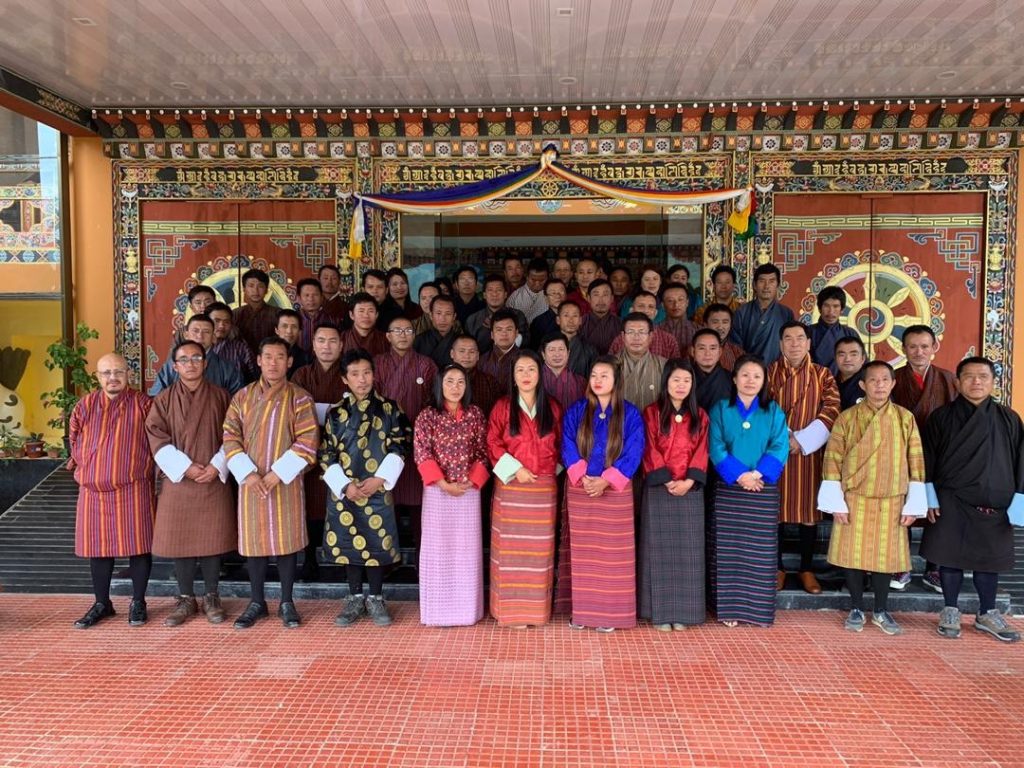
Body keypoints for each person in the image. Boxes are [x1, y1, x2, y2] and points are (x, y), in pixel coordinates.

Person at [818, 360, 927, 636]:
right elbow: (832, 458)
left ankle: (880, 610)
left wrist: (913, 503)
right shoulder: (847, 418)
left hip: (892, 498)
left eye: (884, 380)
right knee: (853, 556)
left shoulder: (904, 418)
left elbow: (916, 460)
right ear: (862, 385)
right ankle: (856, 607)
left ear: (893, 384)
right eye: (873, 381)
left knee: (885, 559)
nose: (879, 386)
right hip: (854, 497)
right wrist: (835, 501)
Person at [921, 357, 1023, 643]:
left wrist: (1019, 500)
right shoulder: (941, 417)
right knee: (949, 558)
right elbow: (927, 459)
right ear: (957, 382)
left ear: (993, 382)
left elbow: (1021, 461)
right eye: (969, 376)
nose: (976, 382)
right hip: (951, 499)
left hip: (996, 502)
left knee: (989, 562)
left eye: (983, 376)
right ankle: (950, 610)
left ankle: (987, 612)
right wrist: (929, 497)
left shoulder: (1009, 418)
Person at [223, 337, 319, 629]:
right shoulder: (242, 397)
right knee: (254, 543)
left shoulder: (300, 398)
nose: (273, 363)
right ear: (258, 360)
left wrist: (277, 473)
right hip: (251, 483)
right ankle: (257, 601)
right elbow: (229, 436)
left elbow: (308, 440)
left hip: (284, 482)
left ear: (289, 362)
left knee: (286, 542)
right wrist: (249, 474)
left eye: (280, 357)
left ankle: (287, 602)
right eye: (268, 357)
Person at [145, 340, 235, 626]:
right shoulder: (163, 400)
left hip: (212, 476)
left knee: (212, 540)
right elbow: (156, 437)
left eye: (196, 358)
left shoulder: (222, 397)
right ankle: (185, 598)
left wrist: (216, 465)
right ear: (175, 366)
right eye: (184, 359)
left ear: (205, 363)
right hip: (179, 480)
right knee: (180, 541)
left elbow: (234, 435)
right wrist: (186, 468)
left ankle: (211, 596)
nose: (191, 364)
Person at [321, 350, 413, 628]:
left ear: (374, 375)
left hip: (377, 489)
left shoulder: (390, 409)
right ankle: (353, 598)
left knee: (376, 542)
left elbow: (401, 444)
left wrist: (379, 479)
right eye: (355, 374)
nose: (362, 380)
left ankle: (375, 597)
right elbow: (326, 453)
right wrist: (344, 485)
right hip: (345, 491)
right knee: (349, 543)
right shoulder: (335, 413)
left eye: (366, 373)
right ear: (344, 379)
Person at [69, 353, 155, 629]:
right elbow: (74, 440)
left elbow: (158, 441)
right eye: (106, 373)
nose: (113, 378)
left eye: (118, 372)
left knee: (139, 546)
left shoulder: (143, 404)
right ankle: (102, 603)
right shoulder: (85, 405)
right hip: (93, 489)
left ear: (129, 374)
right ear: (98, 376)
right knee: (98, 548)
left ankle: (138, 601)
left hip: (133, 487)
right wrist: (87, 468)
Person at [561, 356, 644, 631]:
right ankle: (582, 614)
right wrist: (583, 474)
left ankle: (611, 615)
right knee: (583, 556)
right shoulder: (577, 410)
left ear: (616, 380)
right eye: (594, 375)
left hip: (615, 493)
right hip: (582, 488)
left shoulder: (630, 413)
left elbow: (634, 450)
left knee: (613, 556)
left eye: (604, 375)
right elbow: (567, 443)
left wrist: (607, 480)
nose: (597, 380)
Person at [707, 355, 790, 627]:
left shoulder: (773, 410)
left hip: (762, 488)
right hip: (729, 488)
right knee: (728, 551)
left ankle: (757, 611)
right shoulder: (721, 409)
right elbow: (715, 445)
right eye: (744, 375)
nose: (750, 381)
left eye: (756, 376)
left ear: (764, 381)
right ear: (734, 379)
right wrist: (740, 475)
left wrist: (756, 474)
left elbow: (780, 445)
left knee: (759, 553)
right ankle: (729, 609)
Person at [486, 350, 562, 627]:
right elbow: (493, 443)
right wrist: (516, 469)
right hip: (511, 487)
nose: (526, 375)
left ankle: (535, 612)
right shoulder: (502, 407)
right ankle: (510, 612)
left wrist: (546, 472)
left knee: (538, 554)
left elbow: (561, 444)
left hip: (542, 489)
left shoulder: (552, 407)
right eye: (520, 370)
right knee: (509, 552)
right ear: (513, 375)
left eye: (531, 369)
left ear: (540, 374)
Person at [414, 364, 490, 626]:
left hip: (468, 491)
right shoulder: (427, 416)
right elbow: (422, 452)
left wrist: (472, 480)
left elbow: (483, 451)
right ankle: (437, 612)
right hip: (437, 491)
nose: (455, 387)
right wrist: (443, 484)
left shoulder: (475, 414)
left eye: (460, 382)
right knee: (438, 550)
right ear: (439, 385)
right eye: (449, 381)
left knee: (466, 552)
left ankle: (467, 611)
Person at [768, 321, 840, 594]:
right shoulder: (769, 372)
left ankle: (806, 568)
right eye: (788, 338)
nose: (794, 343)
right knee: (775, 511)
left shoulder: (823, 375)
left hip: (810, 453)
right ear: (780, 344)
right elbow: (763, 406)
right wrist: (785, 439)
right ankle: (777, 568)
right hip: (775, 452)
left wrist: (803, 440)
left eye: (800, 338)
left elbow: (832, 408)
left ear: (809, 343)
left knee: (808, 512)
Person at [640, 359, 710, 631]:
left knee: (687, 555)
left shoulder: (700, 416)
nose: (681, 385)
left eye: (686, 381)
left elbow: (702, 450)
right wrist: (667, 479)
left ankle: (685, 612)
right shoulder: (652, 413)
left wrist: (689, 481)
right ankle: (659, 612)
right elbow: (649, 448)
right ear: (666, 382)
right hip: (660, 488)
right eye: (676, 380)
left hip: (689, 491)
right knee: (658, 553)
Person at [891, 324, 957, 592]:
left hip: (939, 454)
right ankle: (900, 564)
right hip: (901, 453)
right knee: (901, 507)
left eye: (924, 346)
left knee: (936, 509)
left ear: (934, 347)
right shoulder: (893, 378)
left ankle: (934, 568)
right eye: (913, 346)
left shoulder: (948, 379)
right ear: (903, 349)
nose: (919, 352)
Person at [291, 322, 348, 582]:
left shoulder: (348, 374)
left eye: (333, 341)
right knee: (311, 507)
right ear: (313, 345)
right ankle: (310, 559)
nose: (327, 346)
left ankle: (343, 558)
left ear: (341, 345)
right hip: (309, 449)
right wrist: (334, 410)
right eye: (321, 341)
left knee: (342, 502)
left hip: (344, 451)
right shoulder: (301, 375)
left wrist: (318, 410)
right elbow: (295, 411)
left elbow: (356, 410)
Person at [374, 315, 438, 548]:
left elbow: (434, 402)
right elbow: (372, 400)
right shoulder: (378, 363)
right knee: (385, 501)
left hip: (419, 443)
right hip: (385, 443)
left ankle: (422, 558)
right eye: (397, 331)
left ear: (414, 335)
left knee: (418, 504)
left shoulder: (426, 364)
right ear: (388, 336)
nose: (403, 335)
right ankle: (388, 558)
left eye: (408, 330)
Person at [150, 314, 244, 395]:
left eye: (206, 332)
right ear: (186, 335)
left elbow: (238, 403)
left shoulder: (227, 368)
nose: (200, 336)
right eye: (195, 331)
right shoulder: (172, 366)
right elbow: (156, 399)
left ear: (214, 338)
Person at [731, 263, 794, 364]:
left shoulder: (786, 314)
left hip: (777, 370)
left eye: (771, 281)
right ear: (754, 285)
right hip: (749, 369)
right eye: (762, 281)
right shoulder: (742, 312)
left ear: (778, 285)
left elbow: (790, 346)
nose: (766, 286)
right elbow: (735, 347)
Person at [465, 274, 528, 354]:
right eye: (490, 290)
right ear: (484, 295)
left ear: (505, 294)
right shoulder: (473, 319)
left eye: (499, 290)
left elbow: (526, 341)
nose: (494, 294)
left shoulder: (518, 315)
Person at [616, 312, 666, 411]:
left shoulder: (664, 365)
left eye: (642, 332)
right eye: (631, 332)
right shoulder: (609, 365)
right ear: (623, 336)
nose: (636, 337)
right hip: (618, 420)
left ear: (650, 336)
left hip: (653, 420)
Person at [609, 291, 679, 359]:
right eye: (641, 306)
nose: (646, 311)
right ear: (631, 311)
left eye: (651, 307)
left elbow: (677, 366)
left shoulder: (669, 340)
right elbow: (609, 365)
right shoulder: (620, 340)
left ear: (655, 313)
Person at [810, 286, 858, 375]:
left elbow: (861, 363)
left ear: (842, 309)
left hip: (845, 381)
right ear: (819, 308)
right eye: (826, 306)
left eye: (836, 306)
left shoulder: (850, 333)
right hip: (814, 380)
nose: (831, 312)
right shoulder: (808, 332)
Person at [450, 334, 501, 416]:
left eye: (472, 352)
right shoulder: (442, 380)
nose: (467, 356)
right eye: (462, 351)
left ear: (477, 356)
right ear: (452, 353)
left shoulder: (490, 381)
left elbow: (497, 414)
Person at [208, 301, 258, 383]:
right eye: (216, 321)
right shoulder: (195, 347)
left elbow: (256, 377)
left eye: (226, 322)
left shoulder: (240, 349)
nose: (221, 326)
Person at [233, 268, 280, 355]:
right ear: (244, 289)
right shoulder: (235, 314)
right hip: (241, 359)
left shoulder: (278, 314)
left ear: (266, 290)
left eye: (260, 286)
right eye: (251, 286)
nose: (255, 290)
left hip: (270, 358)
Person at [540, 332, 586, 411]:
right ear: (543, 354)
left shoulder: (581, 382)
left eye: (561, 349)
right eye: (552, 350)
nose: (557, 354)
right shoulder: (534, 380)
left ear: (568, 353)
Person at [478, 309, 521, 393]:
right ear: (492, 335)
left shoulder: (525, 359)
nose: (504, 334)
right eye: (499, 329)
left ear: (516, 333)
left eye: (509, 329)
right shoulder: (482, 361)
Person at [414, 293, 461, 369]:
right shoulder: (418, 341)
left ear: (454, 317)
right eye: (438, 313)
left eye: (448, 314)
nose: (443, 319)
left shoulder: (461, 341)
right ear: (431, 315)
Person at [691, 329, 733, 413]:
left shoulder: (731, 379)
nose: (707, 353)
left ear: (720, 352)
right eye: (702, 348)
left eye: (712, 348)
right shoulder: (684, 378)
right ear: (693, 351)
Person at [578, 279, 622, 355]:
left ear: (612, 298)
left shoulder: (620, 323)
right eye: (596, 295)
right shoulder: (580, 323)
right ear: (588, 298)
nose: (601, 300)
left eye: (605, 295)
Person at [556, 300, 597, 378]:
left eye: (575, 316)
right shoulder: (547, 345)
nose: (571, 320)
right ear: (558, 320)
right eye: (566, 315)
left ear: (580, 320)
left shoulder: (590, 349)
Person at [341, 291, 389, 358]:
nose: (366, 315)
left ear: (376, 315)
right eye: (361, 311)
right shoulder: (342, 338)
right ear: (351, 315)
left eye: (370, 311)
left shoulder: (385, 340)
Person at [701, 303, 745, 371]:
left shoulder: (738, 352)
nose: (720, 327)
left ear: (731, 325)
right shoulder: (694, 351)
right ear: (705, 325)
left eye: (725, 322)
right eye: (715, 322)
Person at [507, 256, 550, 323]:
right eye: (533, 280)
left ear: (548, 277)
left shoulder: (553, 295)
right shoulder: (514, 298)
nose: (537, 284)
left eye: (541, 280)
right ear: (527, 277)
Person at [529, 278, 566, 348]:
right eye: (553, 293)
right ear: (546, 298)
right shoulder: (538, 322)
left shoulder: (574, 317)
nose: (557, 296)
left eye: (561, 292)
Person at [659, 284, 696, 354]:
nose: (676, 304)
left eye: (680, 300)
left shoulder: (698, 330)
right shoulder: (655, 331)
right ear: (663, 305)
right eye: (670, 300)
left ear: (687, 302)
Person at [274, 308, 311, 377]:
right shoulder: (266, 355)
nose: (289, 331)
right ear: (276, 330)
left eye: (294, 327)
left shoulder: (307, 359)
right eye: (284, 326)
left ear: (299, 331)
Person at [295, 278, 328, 354]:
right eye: (306, 295)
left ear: (322, 297)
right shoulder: (292, 319)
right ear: (299, 298)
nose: (311, 299)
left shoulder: (332, 320)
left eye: (315, 295)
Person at [835, 336, 867, 411]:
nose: (847, 359)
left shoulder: (872, 384)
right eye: (842, 355)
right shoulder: (829, 383)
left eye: (853, 354)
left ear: (863, 359)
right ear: (835, 358)